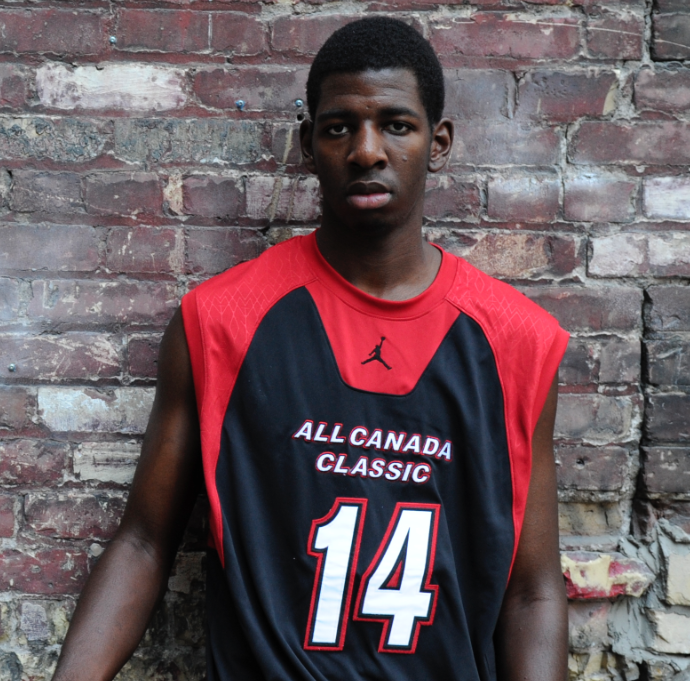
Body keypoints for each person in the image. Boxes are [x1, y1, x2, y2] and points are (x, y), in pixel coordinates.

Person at [52, 17, 569, 681]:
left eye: (396, 125)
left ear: (438, 143)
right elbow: (144, 543)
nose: (367, 151)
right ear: (308, 144)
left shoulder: (518, 342)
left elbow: (532, 592)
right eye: (339, 128)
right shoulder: (221, 321)